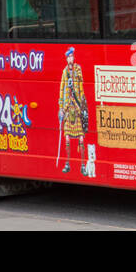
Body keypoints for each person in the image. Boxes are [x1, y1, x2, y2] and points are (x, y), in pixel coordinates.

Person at [57, 46, 88, 175]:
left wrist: (82, 105)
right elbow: (61, 89)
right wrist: (61, 108)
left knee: (81, 139)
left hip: (77, 106)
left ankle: (82, 165)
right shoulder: (65, 72)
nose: (71, 59)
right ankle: (67, 163)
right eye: (69, 57)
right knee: (68, 139)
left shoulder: (78, 69)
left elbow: (81, 87)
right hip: (68, 108)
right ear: (66, 59)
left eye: (72, 56)